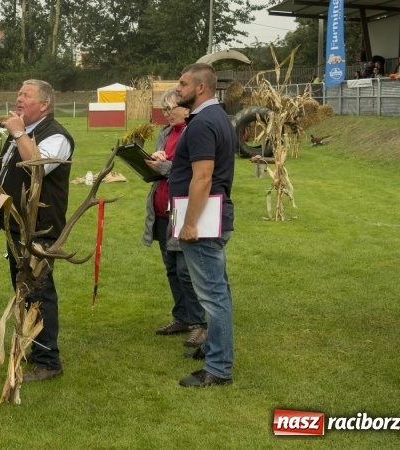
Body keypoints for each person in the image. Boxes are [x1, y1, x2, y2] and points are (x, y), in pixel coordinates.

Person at [0, 80, 73, 382]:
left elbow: (36, 166)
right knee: (24, 289)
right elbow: (19, 165)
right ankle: (36, 349)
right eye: (19, 92)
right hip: (16, 225)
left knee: (39, 291)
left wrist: (18, 132)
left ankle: (48, 361)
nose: (18, 98)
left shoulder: (57, 135)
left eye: (26, 95)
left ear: (44, 104)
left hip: (40, 229)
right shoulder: (23, 132)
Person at [169, 63, 237, 388]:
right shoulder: (216, 117)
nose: (177, 89)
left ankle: (219, 368)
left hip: (204, 220)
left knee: (213, 294)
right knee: (217, 288)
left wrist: (190, 223)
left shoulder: (201, 123)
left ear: (200, 88)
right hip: (212, 216)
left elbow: (203, 176)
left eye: (182, 84)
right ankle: (212, 348)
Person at [143, 89, 207, 349]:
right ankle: (182, 317)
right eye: (164, 109)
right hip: (161, 210)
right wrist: (152, 160)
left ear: (186, 108)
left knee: (185, 270)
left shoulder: (194, 133)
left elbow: (192, 172)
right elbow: (162, 166)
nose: (166, 114)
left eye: (170, 108)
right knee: (172, 268)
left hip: (183, 209)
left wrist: (162, 166)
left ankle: (199, 324)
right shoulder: (165, 134)